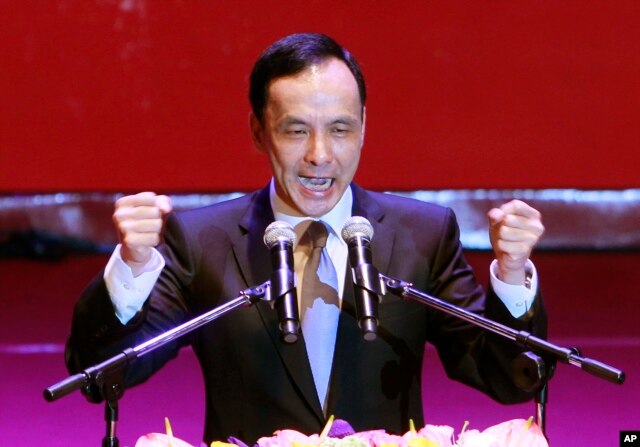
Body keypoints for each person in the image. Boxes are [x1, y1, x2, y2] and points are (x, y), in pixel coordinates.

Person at [66, 33, 546, 445]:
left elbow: (506, 377)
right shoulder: (202, 241)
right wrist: (130, 265)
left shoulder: (422, 234)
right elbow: (106, 374)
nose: (320, 155)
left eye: (340, 129)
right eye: (296, 130)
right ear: (259, 131)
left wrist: (509, 274)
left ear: (363, 128)